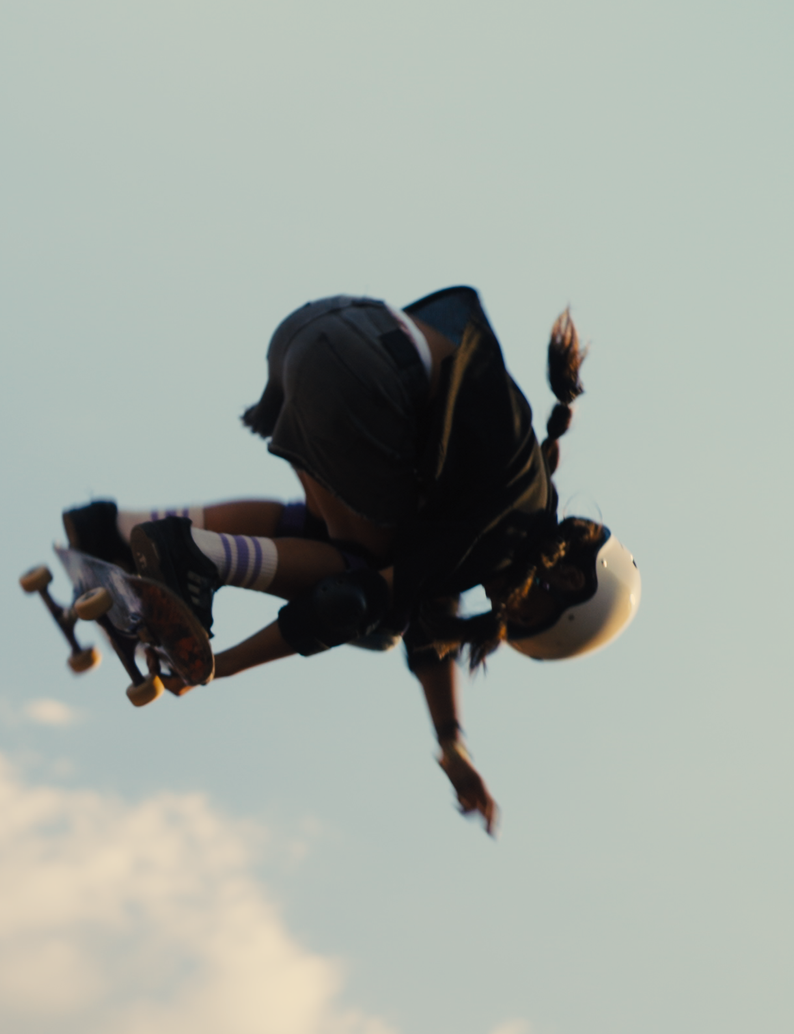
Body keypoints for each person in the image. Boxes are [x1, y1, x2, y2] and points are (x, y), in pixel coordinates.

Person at [61, 287, 640, 835]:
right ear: (564, 576)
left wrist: (451, 744)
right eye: (529, 612)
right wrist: (221, 665)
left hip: (323, 332)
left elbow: (430, 619)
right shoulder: (504, 526)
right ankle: (199, 556)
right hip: (365, 375)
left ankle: (113, 530)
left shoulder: (508, 504)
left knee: (326, 539)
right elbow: (356, 604)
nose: (503, 608)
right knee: (368, 595)